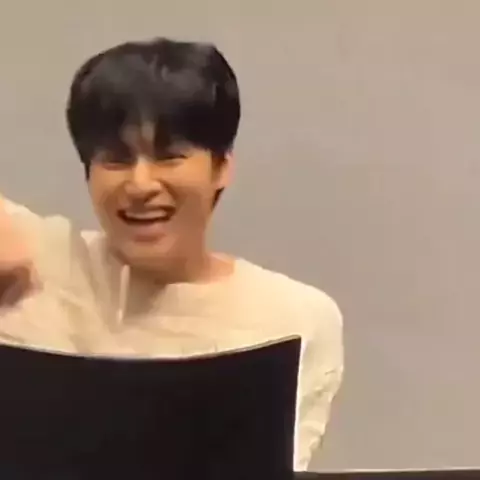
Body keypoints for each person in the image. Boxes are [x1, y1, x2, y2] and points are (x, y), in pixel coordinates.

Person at [0, 38, 343, 471]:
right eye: (116, 160)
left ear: (221, 167)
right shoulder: (44, 259)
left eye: (170, 157)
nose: (141, 184)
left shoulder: (293, 316)